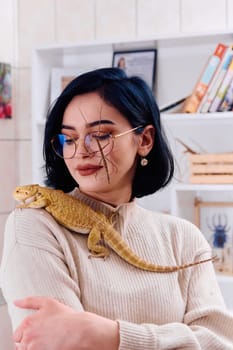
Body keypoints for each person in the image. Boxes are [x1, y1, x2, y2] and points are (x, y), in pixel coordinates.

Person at [1, 67, 233, 350]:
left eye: (100, 135)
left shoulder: (184, 238)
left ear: (144, 140)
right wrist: (181, 340)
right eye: (69, 139)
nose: (81, 151)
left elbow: (220, 343)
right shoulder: (33, 225)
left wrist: (110, 335)